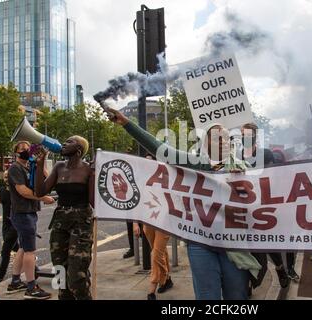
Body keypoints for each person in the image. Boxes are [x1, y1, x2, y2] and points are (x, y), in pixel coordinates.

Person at [104, 106, 260, 300]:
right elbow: (158, 148)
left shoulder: (243, 169)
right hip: (201, 241)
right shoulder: (193, 163)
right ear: (205, 144)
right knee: (207, 296)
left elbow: (259, 205)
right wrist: (127, 123)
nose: (223, 141)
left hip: (234, 243)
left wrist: (244, 184)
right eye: (217, 137)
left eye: (227, 137)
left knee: (236, 296)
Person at [35, 136, 95, 300]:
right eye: (65, 140)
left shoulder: (88, 169)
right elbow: (40, 192)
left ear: (79, 150)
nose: (64, 143)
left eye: (69, 142)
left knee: (77, 276)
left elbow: (94, 202)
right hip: (60, 222)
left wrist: (96, 175)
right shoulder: (59, 167)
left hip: (81, 222)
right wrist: (39, 166)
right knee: (60, 273)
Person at [240, 123, 291, 291]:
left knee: (267, 242)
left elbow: (274, 176)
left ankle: (279, 268)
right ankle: (249, 281)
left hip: (264, 204)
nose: (245, 137)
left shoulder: (266, 154)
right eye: (243, 134)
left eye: (249, 134)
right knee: (248, 246)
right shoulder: (238, 156)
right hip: (245, 206)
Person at [7, 141, 54, 300]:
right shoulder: (15, 168)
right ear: (16, 153)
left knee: (22, 248)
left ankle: (14, 282)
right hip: (22, 213)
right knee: (29, 251)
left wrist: (40, 161)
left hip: (28, 212)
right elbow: (22, 191)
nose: (26, 150)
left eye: (28, 148)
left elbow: (46, 178)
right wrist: (42, 197)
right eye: (23, 149)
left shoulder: (28, 166)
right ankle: (31, 287)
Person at [132, 154, 174, 300]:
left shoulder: (166, 177)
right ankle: (167, 279)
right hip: (148, 222)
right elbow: (136, 203)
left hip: (164, 221)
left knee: (156, 254)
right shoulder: (140, 180)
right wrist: (135, 223)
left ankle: (151, 289)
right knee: (160, 253)